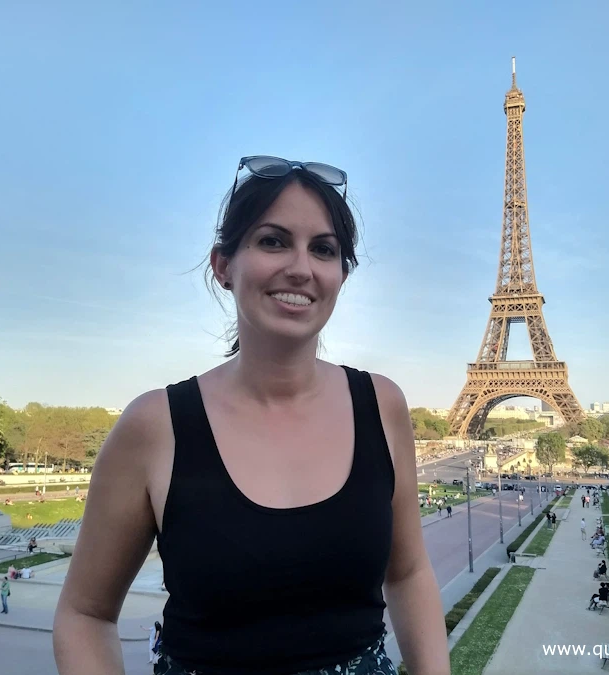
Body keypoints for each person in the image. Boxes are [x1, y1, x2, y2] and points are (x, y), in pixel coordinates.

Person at [53, 156, 450, 675]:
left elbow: (409, 572)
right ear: (223, 265)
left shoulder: (382, 405)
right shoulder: (154, 426)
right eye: (273, 240)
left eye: (324, 249)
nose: (301, 267)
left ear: (341, 275)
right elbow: (85, 613)